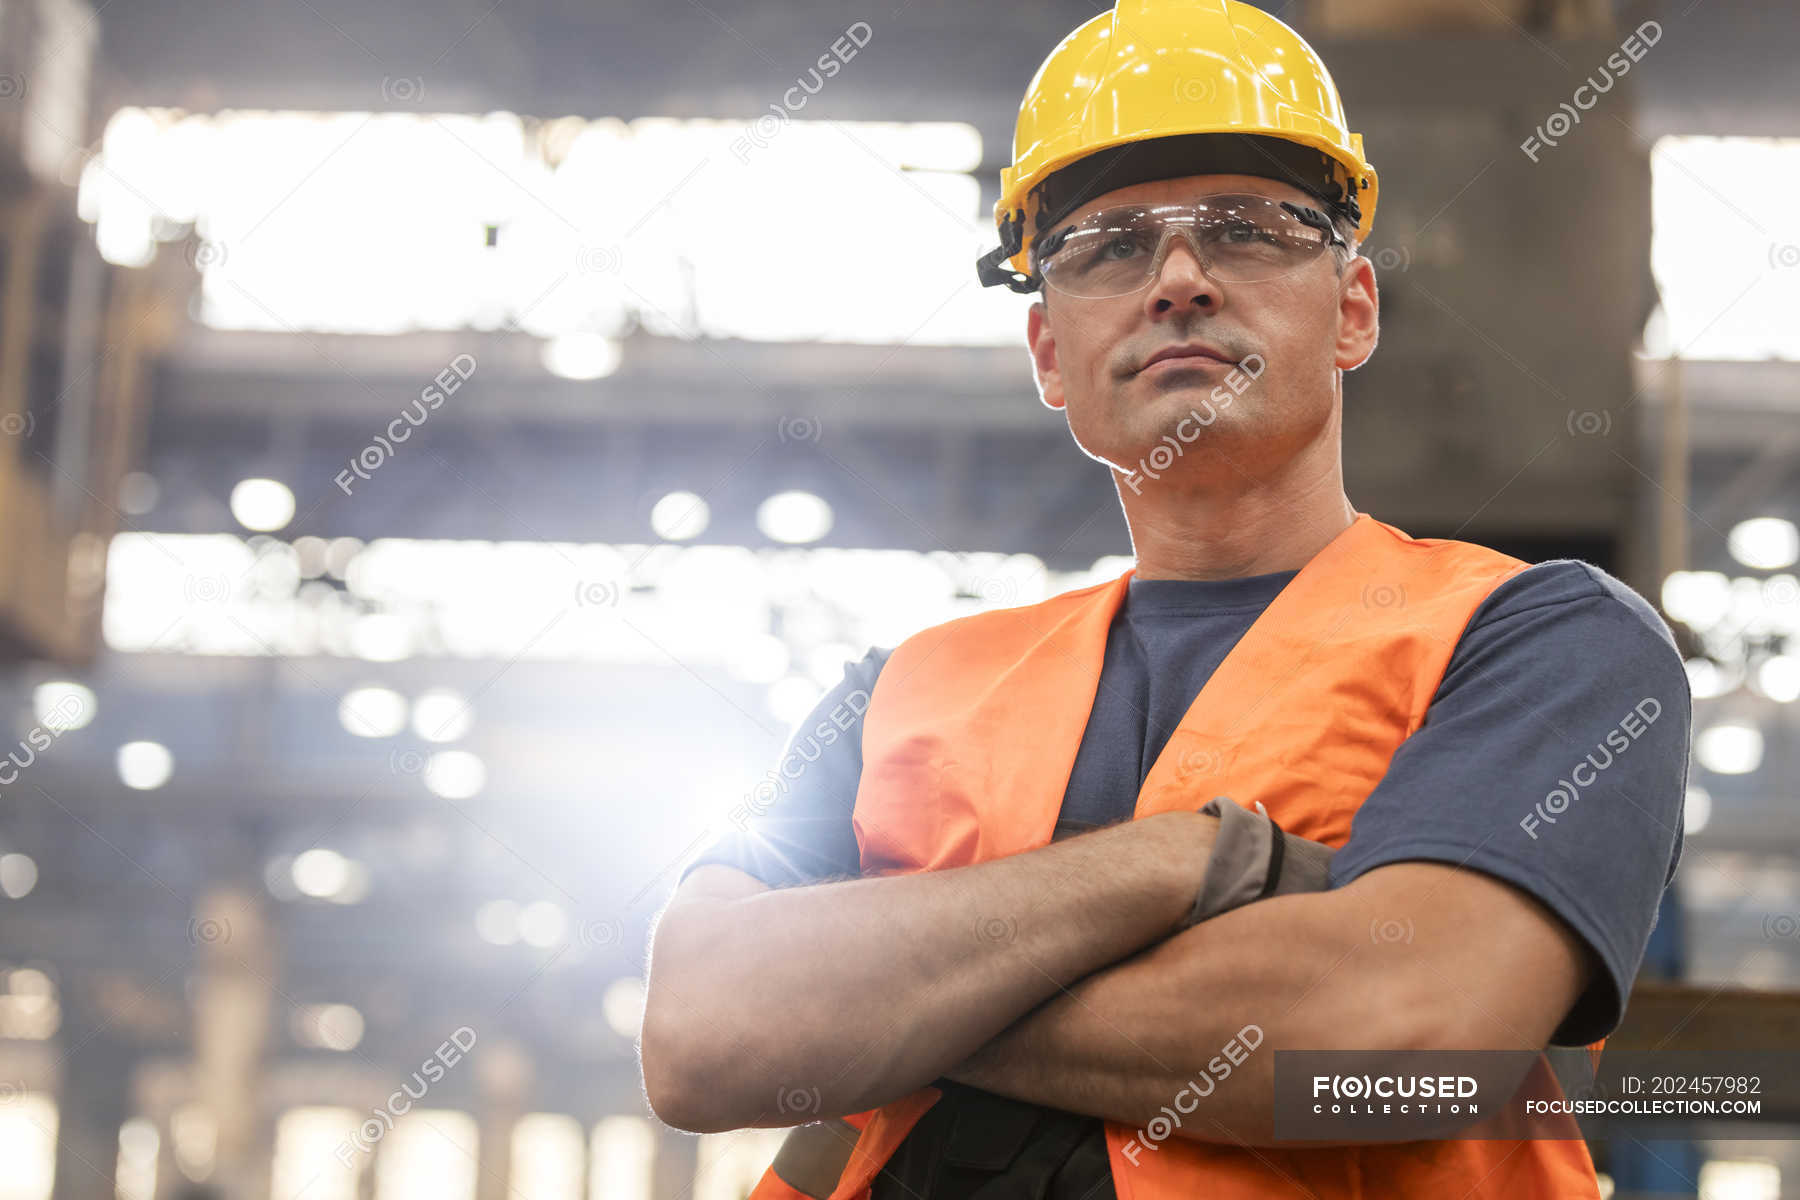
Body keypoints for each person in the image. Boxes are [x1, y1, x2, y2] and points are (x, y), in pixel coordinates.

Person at [640, 1, 1689, 1196]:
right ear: (1048, 353)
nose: (1180, 278)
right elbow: (701, 1035)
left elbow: (1403, 1046)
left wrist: (888, 1017)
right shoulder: (900, 693)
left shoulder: (1542, 643)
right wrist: (1174, 868)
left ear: (1354, 311)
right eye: (1109, 248)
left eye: (1247, 231)